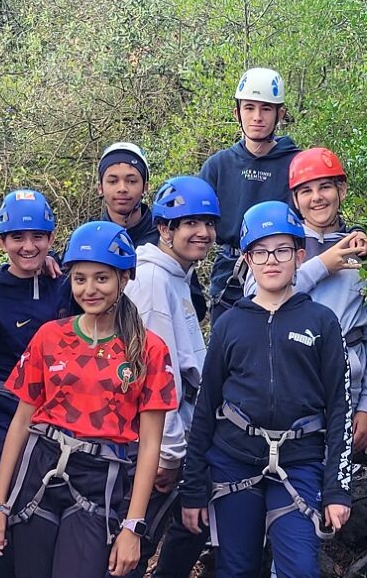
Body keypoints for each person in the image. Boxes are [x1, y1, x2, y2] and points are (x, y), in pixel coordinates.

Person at [0, 221, 177, 578]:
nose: (89, 289)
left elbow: (150, 444)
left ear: (124, 278)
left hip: (99, 478)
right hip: (40, 467)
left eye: (101, 278)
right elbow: (22, 422)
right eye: (80, 278)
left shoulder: (149, 349)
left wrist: (133, 526)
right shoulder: (49, 337)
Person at [180, 202, 353, 578]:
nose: (271, 260)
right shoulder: (230, 324)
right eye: (260, 251)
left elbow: (340, 407)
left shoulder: (321, 321)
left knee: (301, 570)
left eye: (282, 250)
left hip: (299, 462)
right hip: (233, 461)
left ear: (300, 255)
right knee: (235, 568)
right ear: (247, 259)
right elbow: (206, 405)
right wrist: (193, 487)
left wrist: (337, 489)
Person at [0, 189, 71, 578]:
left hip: (48, 439)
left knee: (37, 541)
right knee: (3, 542)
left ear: (51, 239)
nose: (28, 246)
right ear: (1, 242)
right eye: (18, 238)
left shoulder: (65, 286)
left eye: (38, 236)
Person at [122, 176, 219, 578]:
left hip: (180, 431)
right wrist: (168, 452)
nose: (204, 233)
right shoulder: (151, 281)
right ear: (165, 229)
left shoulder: (177, 276)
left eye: (209, 223)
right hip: (159, 440)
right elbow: (158, 377)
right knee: (136, 542)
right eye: (191, 223)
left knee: (197, 522)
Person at [288, 147, 367, 456]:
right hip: (292, 382)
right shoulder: (281, 246)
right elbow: (258, 300)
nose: (316, 197)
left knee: (338, 487)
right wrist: (322, 265)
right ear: (295, 200)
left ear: (341, 190)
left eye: (325, 186)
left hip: (349, 384)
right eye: (306, 190)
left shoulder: (364, 253)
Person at [198, 68, 301, 323]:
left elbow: (323, 211)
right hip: (228, 273)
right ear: (237, 112)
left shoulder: (296, 164)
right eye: (249, 108)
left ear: (281, 114)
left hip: (280, 269)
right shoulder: (218, 166)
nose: (257, 117)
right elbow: (193, 224)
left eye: (266, 108)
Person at [95, 142, 208, 322]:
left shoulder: (165, 234)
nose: (122, 188)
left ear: (145, 187)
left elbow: (195, 306)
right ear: (100, 187)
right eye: (112, 181)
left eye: (132, 181)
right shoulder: (91, 238)